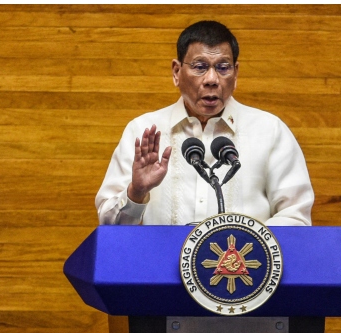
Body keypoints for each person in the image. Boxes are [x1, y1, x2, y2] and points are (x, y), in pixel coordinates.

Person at [96, 20, 314, 226]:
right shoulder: (143, 132)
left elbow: (296, 218)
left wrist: (244, 250)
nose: (212, 79)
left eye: (223, 67)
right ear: (176, 72)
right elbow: (109, 228)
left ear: (235, 74)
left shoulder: (269, 131)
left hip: (242, 264)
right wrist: (136, 192)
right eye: (200, 66)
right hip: (161, 266)